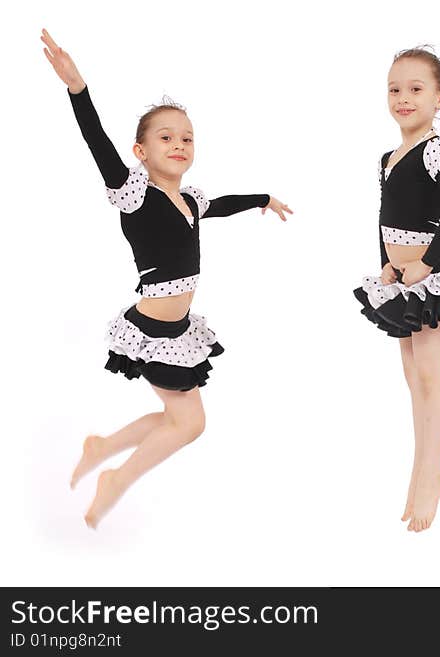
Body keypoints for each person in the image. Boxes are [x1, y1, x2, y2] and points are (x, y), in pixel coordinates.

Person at [42, 29, 293, 527]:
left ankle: (104, 448)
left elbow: (218, 206)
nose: (178, 144)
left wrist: (261, 200)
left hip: (177, 331)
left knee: (180, 420)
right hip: (153, 333)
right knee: (190, 423)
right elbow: (97, 143)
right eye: (165, 137)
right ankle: (115, 476)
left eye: (186, 137)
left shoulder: (190, 200)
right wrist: (78, 89)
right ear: (140, 151)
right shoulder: (133, 194)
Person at [353, 47, 440, 531]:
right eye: (394, 89)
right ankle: (423, 469)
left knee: (431, 378)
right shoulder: (388, 157)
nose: (403, 98)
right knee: (412, 379)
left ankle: (431, 476)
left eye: (416, 89)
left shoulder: (438, 148)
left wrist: (425, 263)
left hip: (429, 278)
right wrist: (385, 265)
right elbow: (384, 219)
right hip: (400, 281)